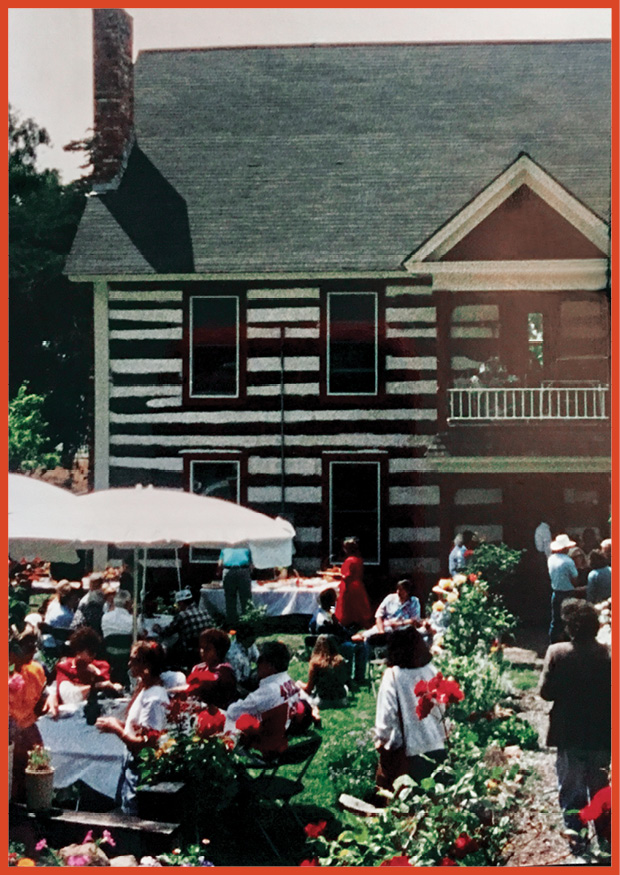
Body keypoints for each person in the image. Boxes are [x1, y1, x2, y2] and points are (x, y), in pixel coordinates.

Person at [538, 599, 611, 855]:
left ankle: (578, 842)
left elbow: (545, 692)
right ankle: (607, 840)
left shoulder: (557, 653)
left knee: (571, 788)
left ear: (570, 627)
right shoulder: (608, 654)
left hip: (568, 731)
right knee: (601, 788)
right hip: (602, 731)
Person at [96, 640, 170, 815]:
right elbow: (137, 727)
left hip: (140, 767)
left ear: (147, 665)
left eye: (134, 660)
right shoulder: (146, 691)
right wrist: (120, 724)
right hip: (129, 764)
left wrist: (116, 728)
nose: (129, 664)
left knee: (133, 813)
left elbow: (144, 744)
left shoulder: (154, 699)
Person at [374, 626, 446, 790]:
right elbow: (443, 709)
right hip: (436, 748)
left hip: (409, 755)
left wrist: (381, 740)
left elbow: (386, 716)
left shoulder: (393, 676)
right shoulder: (432, 671)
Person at [226, 641, 300, 756]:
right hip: (283, 733)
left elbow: (233, 712)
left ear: (270, 666)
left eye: (260, 660)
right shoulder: (288, 680)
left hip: (266, 743)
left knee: (231, 718)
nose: (257, 664)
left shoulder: (268, 691)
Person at [45, 627, 121, 715]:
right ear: (78, 651)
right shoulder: (64, 667)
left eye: (96, 651)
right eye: (90, 652)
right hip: (72, 714)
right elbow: (69, 697)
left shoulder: (102, 666)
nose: (94, 655)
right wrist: (96, 686)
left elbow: (107, 690)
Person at [9, 632, 47, 801]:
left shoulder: (36, 669)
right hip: (10, 727)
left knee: (38, 764)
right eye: (27, 648)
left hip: (29, 727)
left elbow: (43, 698)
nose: (32, 652)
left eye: (34, 647)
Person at [176, 628, 238, 709]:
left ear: (219, 651)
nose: (203, 651)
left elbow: (201, 685)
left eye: (208, 649)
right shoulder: (198, 668)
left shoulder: (225, 670)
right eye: (201, 647)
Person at [153, 588, 213, 670]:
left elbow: (166, 632)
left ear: (181, 603)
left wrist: (157, 628)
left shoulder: (183, 615)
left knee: (167, 647)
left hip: (190, 651)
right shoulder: (204, 611)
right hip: (206, 646)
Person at [354, 579, 421, 643]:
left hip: (404, 630)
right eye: (398, 589)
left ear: (407, 592)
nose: (398, 592)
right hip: (386, 627)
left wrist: (398, 623)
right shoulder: (390, 598)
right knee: (358, 638)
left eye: (401, 590)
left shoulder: (414, 601)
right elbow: (378, 616)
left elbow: (415, 620)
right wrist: (381, 631)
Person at [298, 634, 349, 708]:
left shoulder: (315, 663)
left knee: (298, 688)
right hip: (341, 701)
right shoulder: (341, 661)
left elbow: (309, 689)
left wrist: (299, 684)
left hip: (322, 701)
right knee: (345, 687)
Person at [334, 537, 373, 630]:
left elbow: (347, 577)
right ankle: (358, 623)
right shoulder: (358, 559)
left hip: (349, 587)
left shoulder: (349, 560)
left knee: (348, 608)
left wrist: (337, 575)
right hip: (358, 586)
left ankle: (347, 624)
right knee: (358, 608)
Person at [547, 534, 579, 644]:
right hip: (568, 592)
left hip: (556, 592)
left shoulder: (551, 559)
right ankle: (568, 643)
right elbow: (574, 579)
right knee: (569, 620)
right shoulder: (568, 561)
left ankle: (553, 643)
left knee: (555, 620)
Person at [41, 581, 80, 652]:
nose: (77, 600)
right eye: (75, 598)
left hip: (45, 641)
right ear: (68, 599)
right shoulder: (67, 616)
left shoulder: (53, 605)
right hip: (56, 646)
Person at [217, 546, 253, 624]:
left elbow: (220, 563)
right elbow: (220, 562)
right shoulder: (225, 547)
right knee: (238, 599)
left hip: (237, 570)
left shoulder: (246, 546)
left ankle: (246, 621)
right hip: (236, 571)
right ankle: (234, 622)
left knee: (241, 599)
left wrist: (219, 571)